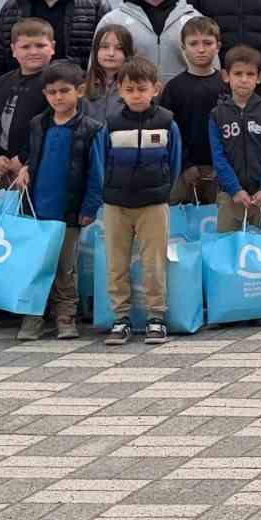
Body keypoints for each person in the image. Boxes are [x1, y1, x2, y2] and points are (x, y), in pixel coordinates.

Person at [11, 60, 103, 341]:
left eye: (64, 91)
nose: (58, 98)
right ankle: (33, 317)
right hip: (38, 210)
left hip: (68, 211)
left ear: (80, 90)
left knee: (66, 267)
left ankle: (65, 317)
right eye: (51, 92)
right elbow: (34, 156)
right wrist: (26, 169)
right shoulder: (38, 124)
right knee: (37, 264)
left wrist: (89, 207)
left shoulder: (91, 129)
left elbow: (96, 173)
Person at [98, 55, 183, 346]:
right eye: (130, 89)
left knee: (154, 263)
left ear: (155, 89)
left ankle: (156, 317)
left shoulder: (166, 122)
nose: (136, 95)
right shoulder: (110, 124)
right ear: (120, 90)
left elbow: (175, 161)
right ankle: (120, 318)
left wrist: (162, 190)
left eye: (142, 89)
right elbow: (100, 162)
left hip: (153, 204)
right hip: (116, 204)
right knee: (116, 263)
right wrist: (106, 191)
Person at [209, 45, 261, 237]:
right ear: (226, 76)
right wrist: (234, 189)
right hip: (230, 196)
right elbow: (218, 156)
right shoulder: (217, 114)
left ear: (259, 77)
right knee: (226, 253)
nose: (243, 79)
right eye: (237, 73)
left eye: (250, 74)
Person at [157, 17, 225, 210]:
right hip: (182, 171)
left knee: (217, 224)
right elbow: (167, 131)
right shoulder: (173, 88)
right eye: (193, 44)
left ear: (218, 46)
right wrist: (185, 164)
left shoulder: (226, 85)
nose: (201, 49)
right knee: (181, 228)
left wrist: (222, 165)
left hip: (220, 171)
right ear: (183, 48)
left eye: (207, 43)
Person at [0, 19, 56, 200]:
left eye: (40, 45)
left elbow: (52, 126)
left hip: (39, 169)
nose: (33, 51)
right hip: (5, 168)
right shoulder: (3, 83)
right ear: (13, 49)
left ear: (52, 47)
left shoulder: (55, 85)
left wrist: (25, 158)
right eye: (25, 47)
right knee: (9, 220)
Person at [84, 24, 135, 123]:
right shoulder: (82, 83)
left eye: (119, 48)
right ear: (96, 50)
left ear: (127, 52)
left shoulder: (136, 85)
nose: (111, 53)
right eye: (104, 47)